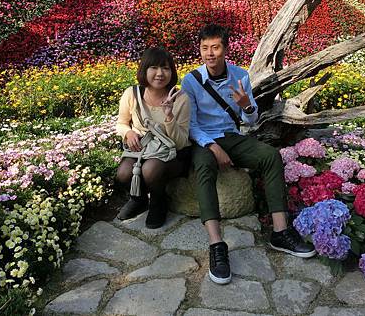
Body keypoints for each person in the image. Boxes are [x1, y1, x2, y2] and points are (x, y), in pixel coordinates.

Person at [181, 24, 315, 285]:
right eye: (205, 48)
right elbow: (191, 125)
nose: (210, 53)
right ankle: (217, 245)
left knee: (270, 156)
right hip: (204, 140)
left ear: (225, 49)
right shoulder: (192, 81)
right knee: (204, 168)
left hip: (232, 136)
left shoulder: (240, 76)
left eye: (215, 47)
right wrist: (213, 147)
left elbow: (251, 120)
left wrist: (246, 106)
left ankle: (280, 232)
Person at [116, 47, 191, 229]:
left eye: (165, 68)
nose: (160, 74)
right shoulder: (132, 94)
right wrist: (128, 133)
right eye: (154, 68)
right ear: (144, 70)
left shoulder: (180, 99)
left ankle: (158, 202)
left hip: (172, 154)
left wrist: (169, 116)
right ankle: (139, 199)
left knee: (150, 169)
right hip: (143, 149)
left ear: (172, 72)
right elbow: (121, 123)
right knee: (123, 173)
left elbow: (181, 142)